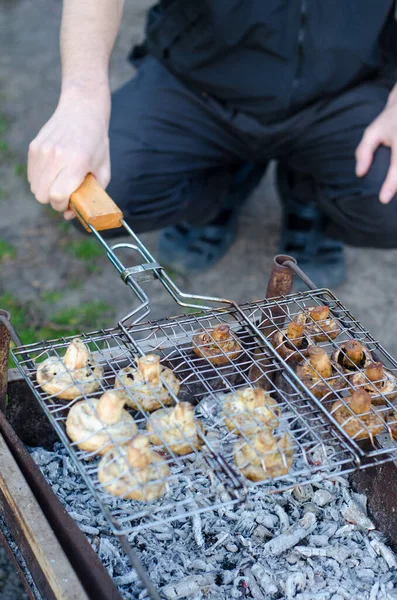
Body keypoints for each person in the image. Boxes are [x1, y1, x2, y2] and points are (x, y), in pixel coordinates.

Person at [28, 1, 397, 288]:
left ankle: (308, 189)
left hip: (347, 87)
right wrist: (82, 98)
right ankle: (224, 181)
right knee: (100, 186)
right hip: (197, 80)